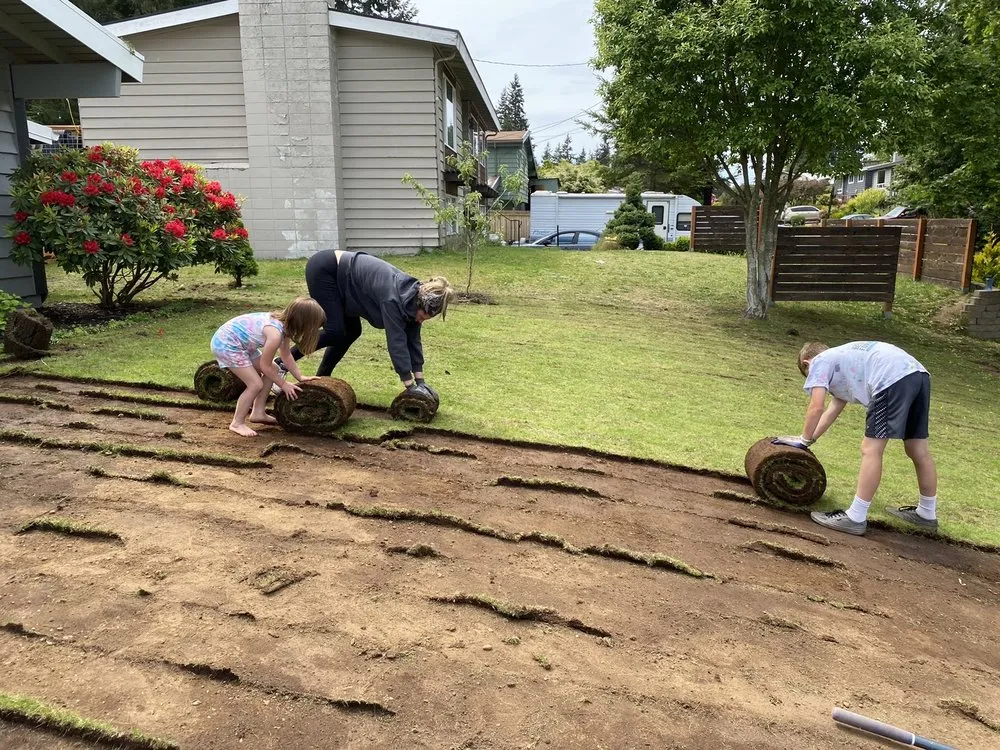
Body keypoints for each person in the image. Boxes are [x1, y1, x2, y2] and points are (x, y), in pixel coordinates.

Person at [774, 341, 938, 536]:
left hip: (890, 377)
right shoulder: (842, 360)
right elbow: (832, 409)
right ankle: (927, 513)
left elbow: (816, 407)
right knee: (917, 449)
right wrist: (808, 440)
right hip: (917, 375)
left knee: (870, 449)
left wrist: (802, 439)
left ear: (807, 363)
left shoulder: (819, 362)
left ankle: (855, 517)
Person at [274, 249, 454, 401]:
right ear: (419, 304)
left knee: (352, 331)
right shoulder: (393, 298)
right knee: (336, 331)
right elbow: (396, 342)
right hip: (327, 270)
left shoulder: (413, 302)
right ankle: (281, 364)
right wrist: (409, 386)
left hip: (348, 283)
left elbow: (413, 341)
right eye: (422, 316)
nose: (420, 321)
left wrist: (421, 382)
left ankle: (322, 380)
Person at [210, 297, 326, 437]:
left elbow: (286, 355)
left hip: (243, 345)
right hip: (227, 345)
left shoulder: (285, 327)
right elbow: (265, 366)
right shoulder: (275, 334)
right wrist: (283, 384)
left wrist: (299, 376)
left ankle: (258, 412)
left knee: (275, 368)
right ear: (303, 323)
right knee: (255, 384)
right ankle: (237, 423)